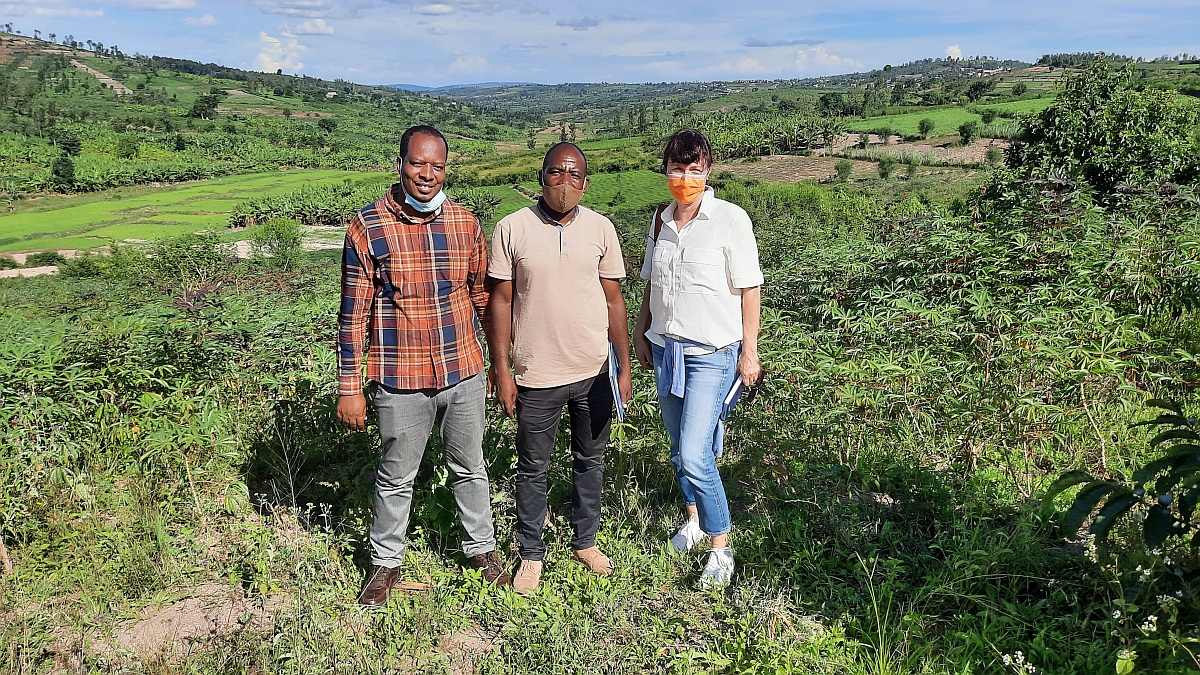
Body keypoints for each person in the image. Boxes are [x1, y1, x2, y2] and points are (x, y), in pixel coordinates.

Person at [337, 125, 510, 608]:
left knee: (470, 466)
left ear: (446, 169)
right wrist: (349, 385)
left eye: (436, 166)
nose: (427, 175)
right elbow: (353, 314)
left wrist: (500, 365)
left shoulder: (464, 223)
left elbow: (481, 296)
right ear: (400, 163)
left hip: (463, 370)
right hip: (401, 376)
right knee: (396, 474)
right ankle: (385, 562)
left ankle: (481, 551)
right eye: (418, 163)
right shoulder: (368, 227)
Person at [487, 142, 633, 595]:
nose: (565, 184)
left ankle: (584, 541)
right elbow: (501, 301)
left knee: (590, 459)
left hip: (593, 371)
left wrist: (623, 366)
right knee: (533, 467)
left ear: (587, 183)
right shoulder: (512, 228)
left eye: (574, 176)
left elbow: (614, 301)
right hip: (536, 375)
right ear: (541, 178)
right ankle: (531, 554)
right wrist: (502, 370)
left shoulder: (601, 229)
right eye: (556, 173)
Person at [633, 128, 763, 588]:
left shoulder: (730, 220)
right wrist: (640, 330)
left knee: (695, 453)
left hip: (712, 354)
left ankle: (721, 545)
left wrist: (750, 352)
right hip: (667, 348)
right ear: (666, 171)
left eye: (694, 170)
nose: (684, 178)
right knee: (679, 449)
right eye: (676, 169)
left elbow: (750, 289)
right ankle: (692, 518)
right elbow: (651, 282)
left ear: (708, 172)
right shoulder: (659, 221)